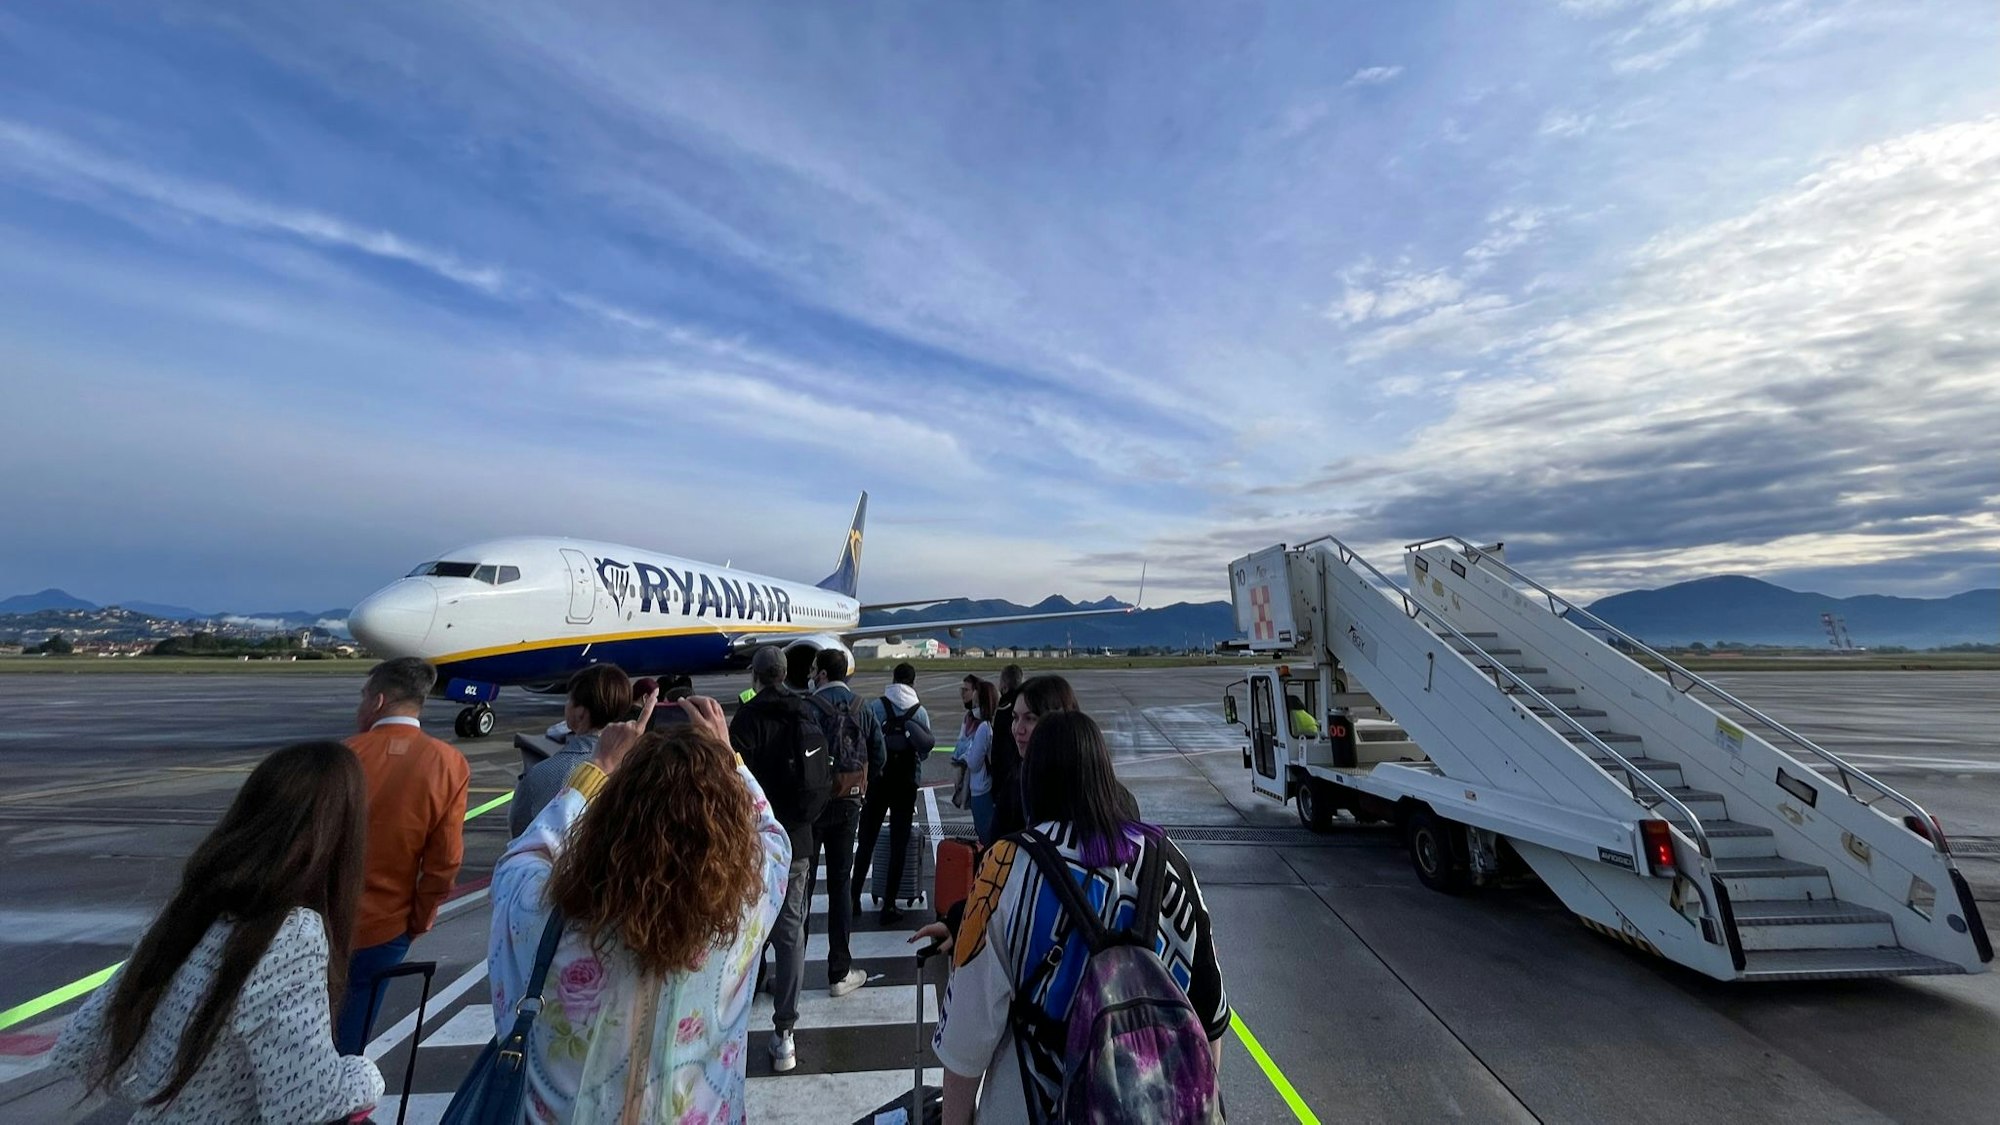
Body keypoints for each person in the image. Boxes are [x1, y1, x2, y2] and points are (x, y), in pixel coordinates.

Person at [489, 696, 789, 1124]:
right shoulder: (745, 905)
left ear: (607, 820)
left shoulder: (542, 912)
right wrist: (729, 760)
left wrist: (599, 769)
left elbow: (524, 856)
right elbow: (771, 836)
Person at [52, 742, 384, 1123]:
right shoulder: (292, 935)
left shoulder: (191, 911)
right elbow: (303, 1103)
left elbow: (81, 1041)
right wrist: (365, 1075)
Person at [933, 713, 1229, 1124]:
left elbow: (967, 1036)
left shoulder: (1007, 865)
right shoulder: (1167, 858)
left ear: (1032, 777)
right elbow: (1210, 1012)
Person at [337, 657, 470, 1053]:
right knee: (354, 1033)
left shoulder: (345, 755)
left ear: (377, 701)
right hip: (388, 928)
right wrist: (419, 918)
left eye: (363, 698)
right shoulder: (448, 763)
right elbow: (444, 861)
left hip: (328, 924)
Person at [728, 646, 828, 1074]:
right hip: (797, 839)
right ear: (786, 673)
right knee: (791, 933)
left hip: (752, 839)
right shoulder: (807, 713)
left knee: (741, 927)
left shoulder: (746, 719)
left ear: (756, 675)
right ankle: (785, 1031)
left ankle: (731, 1020)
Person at [805, 648, 885, 999]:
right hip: (850, 802)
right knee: (840, 885)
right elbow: (879, 755)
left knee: (802, 885)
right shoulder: (861, 706)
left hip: (813, 804)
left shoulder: (808, 706)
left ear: (821, 673)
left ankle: (791, 966)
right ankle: (839, 970)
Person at [509, 664, 646, 837]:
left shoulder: (541, 774)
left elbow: (520, 835)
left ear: (580, 713)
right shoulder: (641, 769)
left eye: (569, 700)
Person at [853, 662, 936, 923]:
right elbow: (924, 751)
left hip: (879, 780)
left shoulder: (876, 707)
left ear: (893, 679)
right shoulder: (919, 712)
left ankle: (853, 897)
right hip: (906, 783)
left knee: (866, 840)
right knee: (899, 843)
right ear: (913, 681)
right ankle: (889, 904)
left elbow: (863, 742)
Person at [991, 675, 1082, 839]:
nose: (1018, 729)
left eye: (1031, 718)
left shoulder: (1090, 789)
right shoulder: (1015, 784)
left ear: (1059, 720)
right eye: (1015, 718)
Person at [954, 677, 1001, 844]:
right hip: (988, 787)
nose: (973, 708)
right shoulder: (993, 724)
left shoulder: (983, 728)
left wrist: (964, 756)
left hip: (981, 789)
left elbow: (974, 763)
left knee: (985, 835)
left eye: (975, 704)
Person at [986, 665, 1026, 849]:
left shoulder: (1005, 708)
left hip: (1007, 779)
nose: (1020, 728)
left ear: (1004, 684)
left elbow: (999, 751)